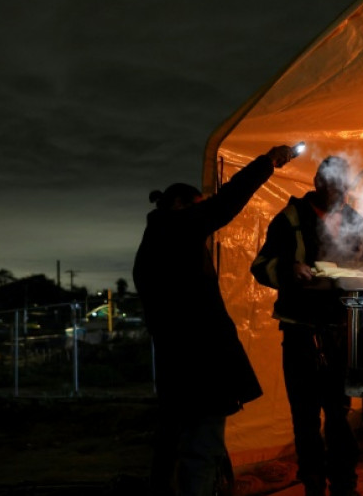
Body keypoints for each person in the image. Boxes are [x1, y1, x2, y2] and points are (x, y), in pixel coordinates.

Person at [133, 144, 298, 496]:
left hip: (178, 365)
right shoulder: (173, 230)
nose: (202, 219)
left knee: (176, 447)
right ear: (180, 206)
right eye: (197, 208)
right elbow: (225, 204)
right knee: (201, 448)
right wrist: (268, 162)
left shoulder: (156, 242)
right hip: (199, 364)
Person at [251, 156, 363, 496]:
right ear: (317, 181)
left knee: (340, 414)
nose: (339, 191)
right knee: (305, 416)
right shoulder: (290, 218)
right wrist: (289, 269)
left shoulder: (354, 219)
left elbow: (358, 262)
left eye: (344, 185)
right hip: (300, 331)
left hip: (342, 330)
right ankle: (313, 486)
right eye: (332, 184)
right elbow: (261, 265)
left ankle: (345, 486)